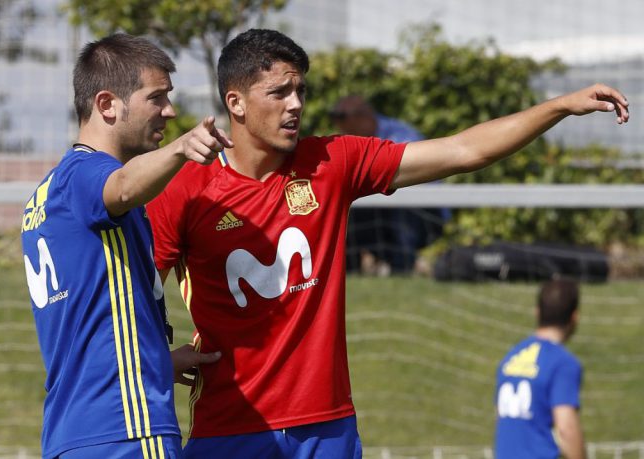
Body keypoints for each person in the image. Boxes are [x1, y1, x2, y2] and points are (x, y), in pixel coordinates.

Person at [147, 28, 627, 458]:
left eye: (301, 90)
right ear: (236, 103)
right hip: (231, 426)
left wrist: (559, 106)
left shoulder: (332, 162)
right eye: (279, 92)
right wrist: (157, 361)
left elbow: (464, 150)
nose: (295, 104)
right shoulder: (185, 189)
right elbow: (134, 295)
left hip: (327, 426)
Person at [20, 33, 228, 459]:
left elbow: (91, 322)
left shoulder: (43, 197)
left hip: (72, 433)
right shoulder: (90, 175)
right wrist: (181, 149)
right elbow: (121, 187)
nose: (169, 111)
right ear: (107, 104)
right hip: (128, 429)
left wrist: (157, 362)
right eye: (157, 98)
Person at [330, 95, 449, 275]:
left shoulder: (401, 135)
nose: (342, 130)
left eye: (345, 123)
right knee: (342, 213)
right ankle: (346, 273)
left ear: (363, 116)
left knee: (396, 213)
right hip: (379, 207)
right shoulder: (352, 141)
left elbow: (419, 181)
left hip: (422, 212)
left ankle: (402, 270)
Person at [494, 279, 585, 459]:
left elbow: (500, 418)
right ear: (574, 317)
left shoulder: (511, 358)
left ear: (537, 313)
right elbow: (566, 429)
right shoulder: (562, 362)